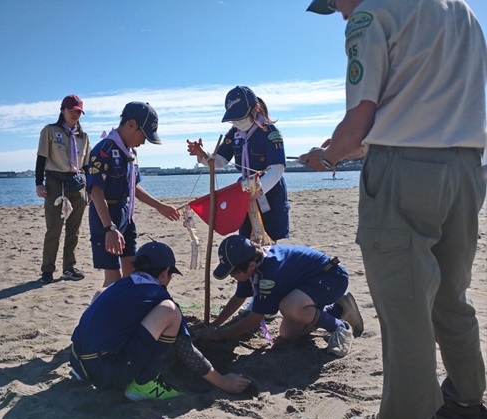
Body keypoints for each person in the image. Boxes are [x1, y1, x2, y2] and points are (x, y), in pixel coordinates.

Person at [302, 1, 487, 419]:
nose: (341, 14)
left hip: (403, 173)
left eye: (335, 4)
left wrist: (326, 157)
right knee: (451, 296)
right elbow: (426, 103)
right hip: (467, 167)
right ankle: (467, 401)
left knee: (404, 309)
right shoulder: (460, 10)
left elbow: (361, 116)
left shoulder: (372, 14)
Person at [69, 241, 252, 401]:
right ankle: (144, 384)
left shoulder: (121, 284)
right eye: (171, 275)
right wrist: (222, 381)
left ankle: (80, 371)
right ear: (164, 272)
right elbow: (185, 350)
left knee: (101, 293)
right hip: (107, 373)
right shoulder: (158, 295)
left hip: (78, 361)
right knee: (170, 312)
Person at [187, 86, 291, 315]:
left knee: (269, 245)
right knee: (247, 246)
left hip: (269, 195)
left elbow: (278, 168)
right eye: (233, 119)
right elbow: (220, 161)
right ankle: (251, 296)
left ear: (255, 110)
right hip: (244, 195)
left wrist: (260, 188)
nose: (237, 122)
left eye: (240, 117)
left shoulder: (270, 131)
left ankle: (270, 298)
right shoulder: (233, 133)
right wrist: (203, 156)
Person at [193, 235, 364, 358]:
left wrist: (222, 334)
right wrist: (215, 324)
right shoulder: (251, 267)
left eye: (233, 273)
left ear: (251, 265)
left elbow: (255, 318)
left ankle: (341, 327)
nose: (231, 276)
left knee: (290, 307)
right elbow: (238, 298)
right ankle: (338, 310)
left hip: (331, 278)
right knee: (288, 334)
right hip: (306, 285)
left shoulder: (269, 273)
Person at [87, 102, 181, 291]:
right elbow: (96, 191)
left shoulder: (132, 152)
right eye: (143, 135)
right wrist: (109, 228)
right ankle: (96, 317)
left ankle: (128, 311)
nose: (144, 141)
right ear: (130, 124)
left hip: (126, 215)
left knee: (132, 272)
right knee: (113, 278)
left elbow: (133, 187)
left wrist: (159, 206)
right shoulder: (103, 150)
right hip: (105, 216)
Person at [35, 94, 91, 284]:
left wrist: (89, 188)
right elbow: (41, 158)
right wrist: (38, 183)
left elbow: (87, 166)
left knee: (73, 230)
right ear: (62, 110)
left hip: (77, 183)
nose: (75, 114)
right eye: (71, 111)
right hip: (55, 182)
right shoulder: (50, 131)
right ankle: (47, 270)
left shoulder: (83, 137)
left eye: (78, 112)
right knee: (54, 229)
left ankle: (69, 268)